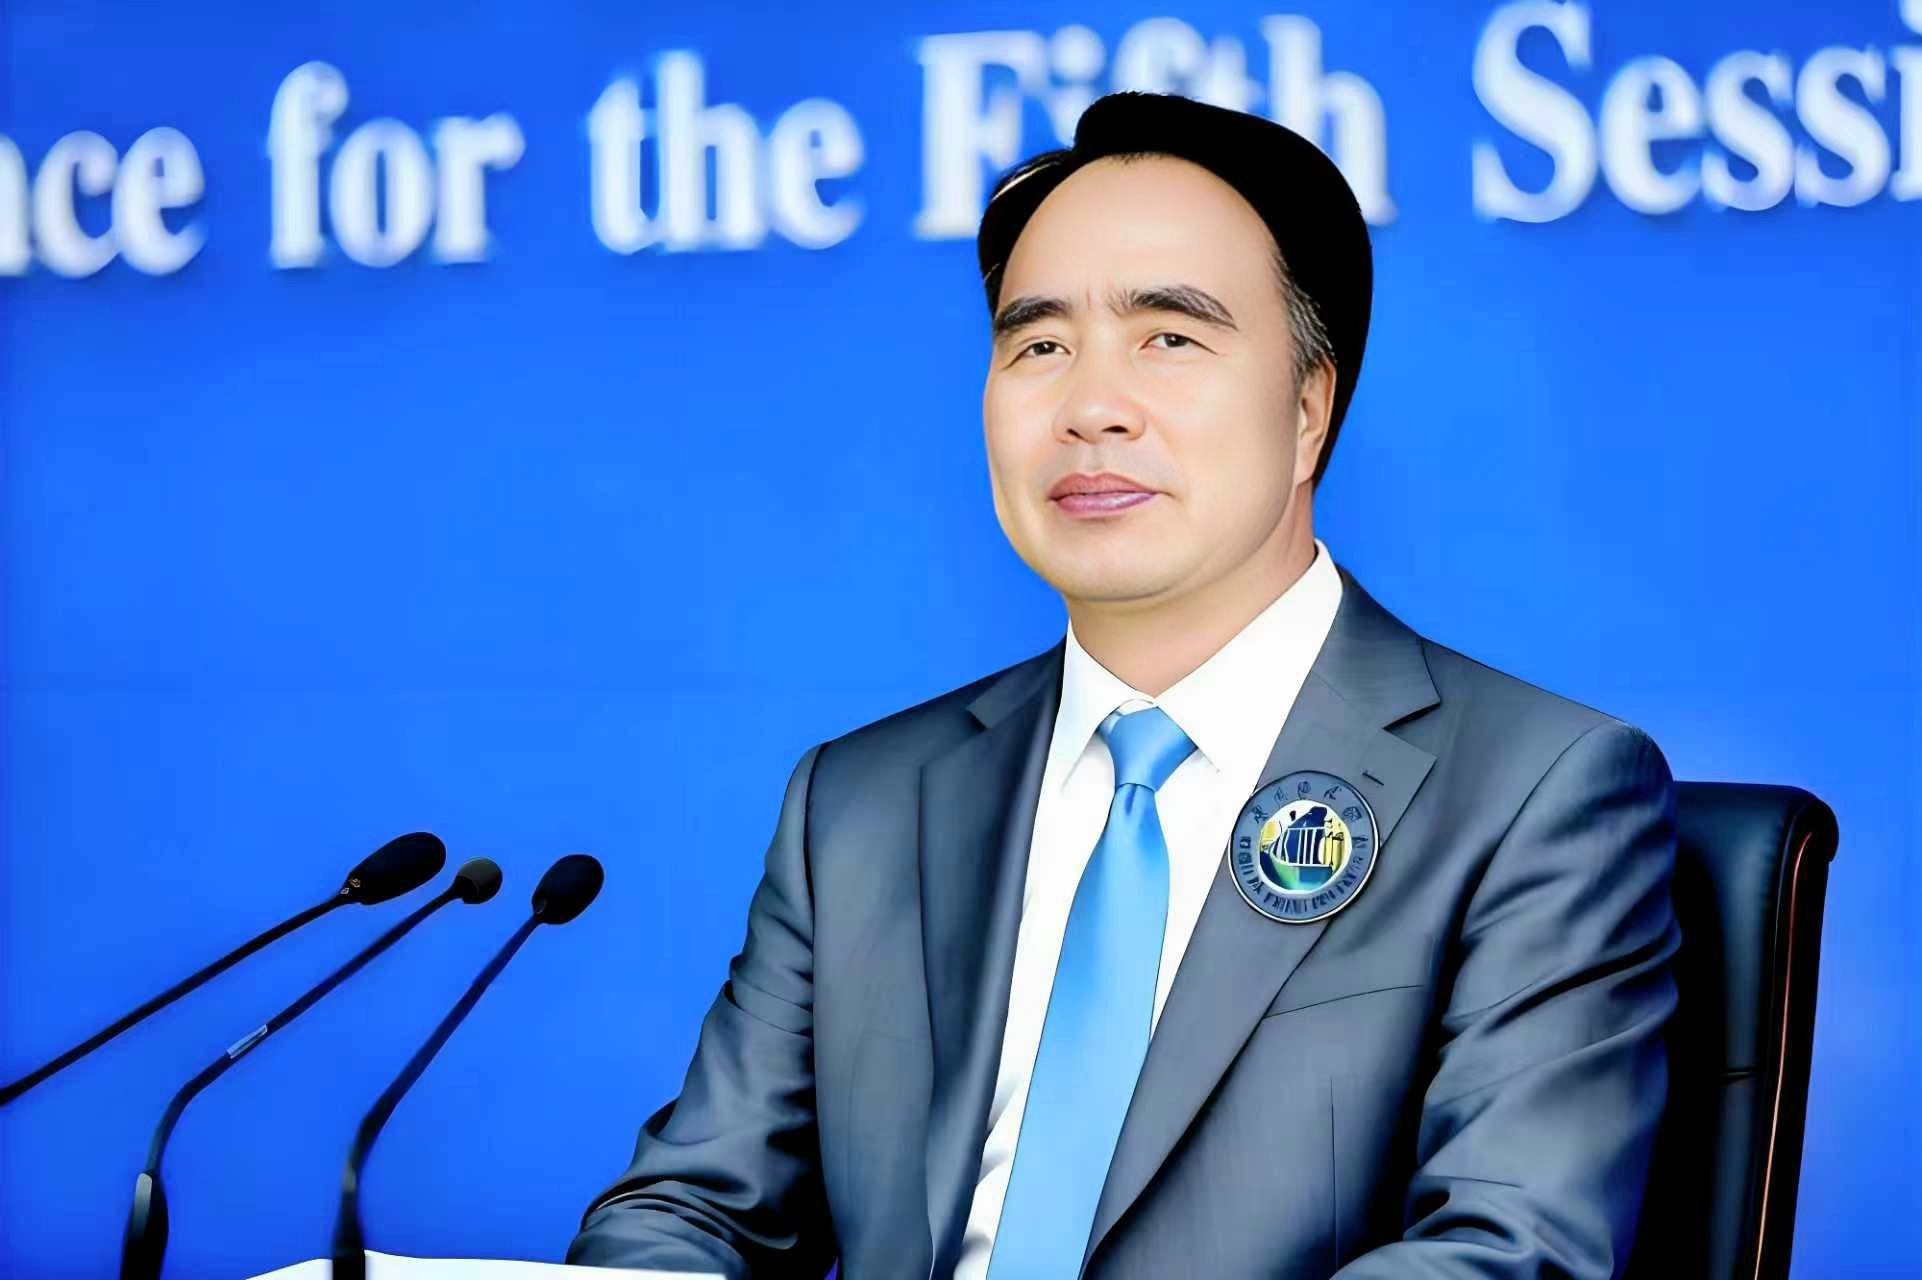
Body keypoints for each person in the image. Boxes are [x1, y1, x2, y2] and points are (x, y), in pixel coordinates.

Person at [566, 90, 1681, 1280]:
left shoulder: (1529, 792)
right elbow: (694, 1208)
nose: (1089, 406)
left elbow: (1501, 1251)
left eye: (1168, 337)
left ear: (1308, 410)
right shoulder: (863, 800)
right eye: (1038, 346)